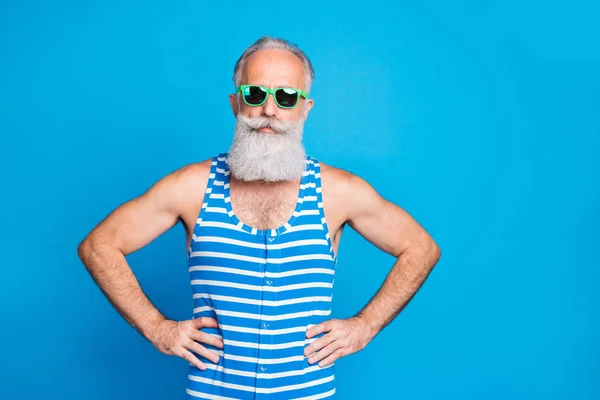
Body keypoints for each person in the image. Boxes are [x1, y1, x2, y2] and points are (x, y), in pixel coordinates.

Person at [77, 36, 441, 400]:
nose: (269, 110)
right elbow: (99, 245)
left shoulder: (339, 192)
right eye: (255, 94)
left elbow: (420, 248)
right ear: (236, 103)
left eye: (285, 97)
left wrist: (364, 326)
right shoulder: (191, 187)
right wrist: (157, 328)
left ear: (305, 108)